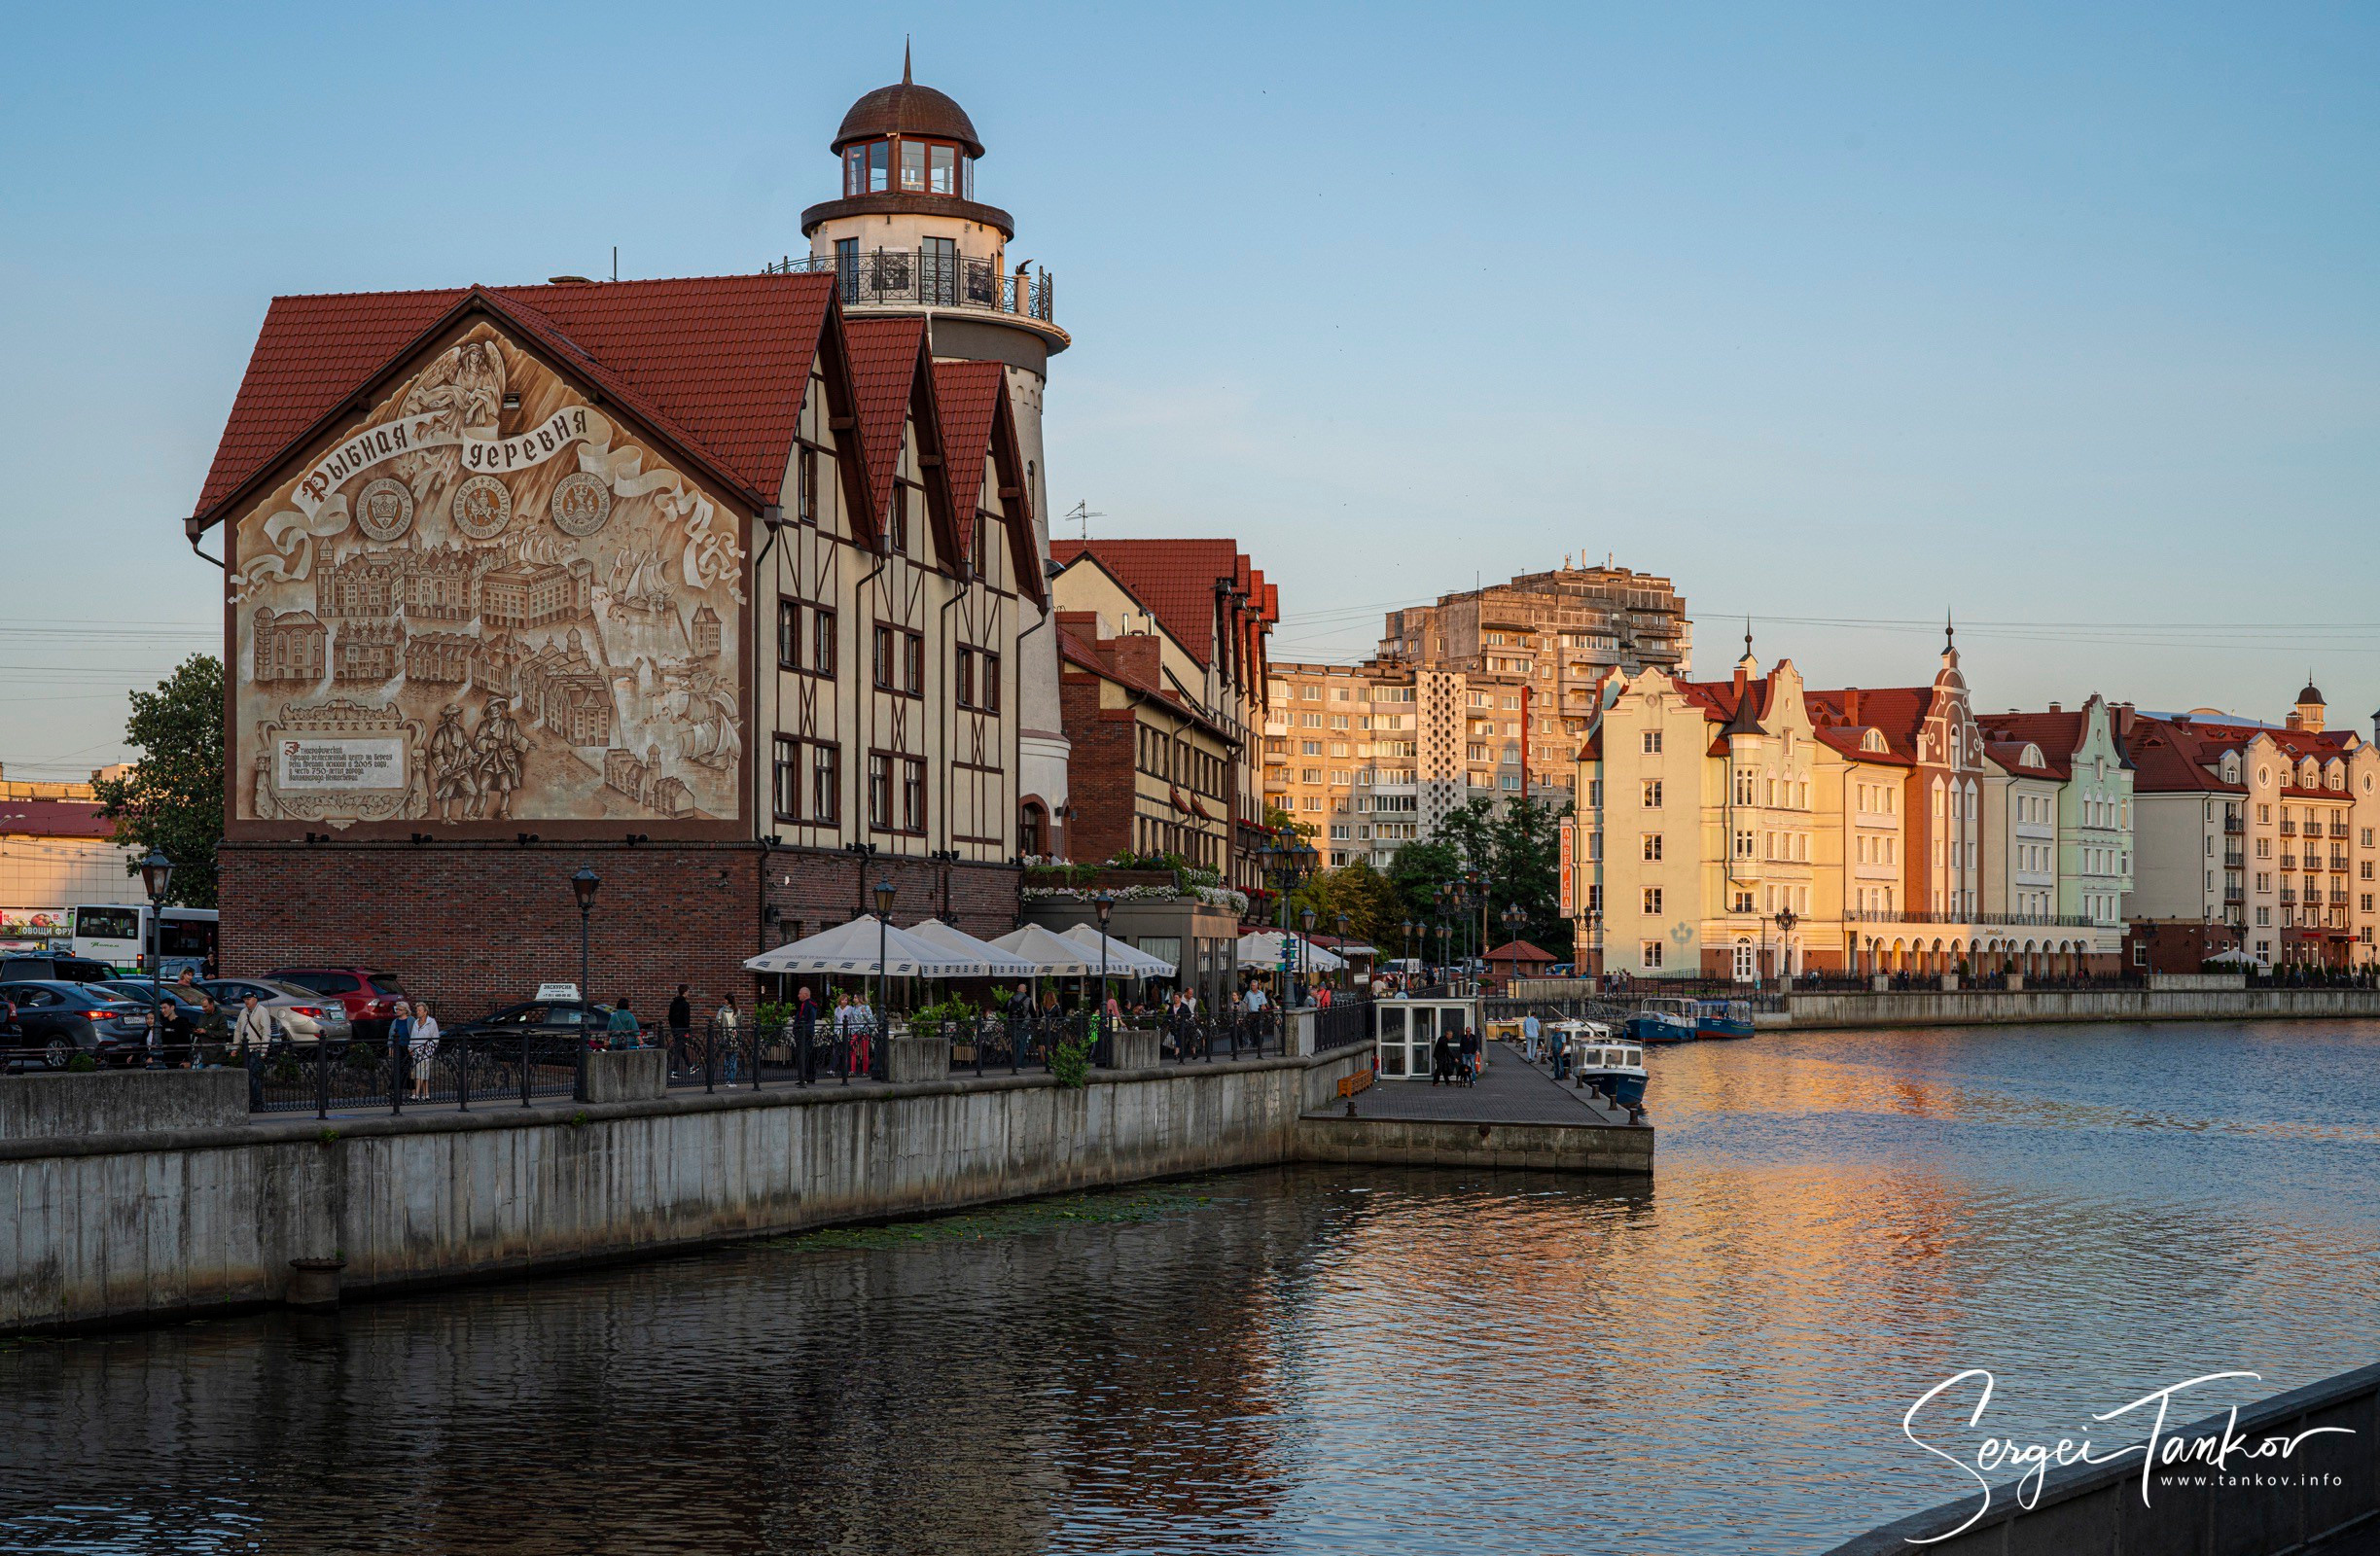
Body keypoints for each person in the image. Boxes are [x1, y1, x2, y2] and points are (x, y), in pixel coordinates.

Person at [408, 1001, 441, 1100]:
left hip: (426, 1052)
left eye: (420, 1010)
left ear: (425, 1012)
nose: (418, 1012)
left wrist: (429, 1051)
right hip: (416, 1051)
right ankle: (426, 1094)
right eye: (417, 1010)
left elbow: (435, 1038)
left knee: (421, 1071)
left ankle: (416, 1094)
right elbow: (413, 1037)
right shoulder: (415, 1023)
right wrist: (410, 1048)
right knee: (420, 1072)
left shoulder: (431, 1022)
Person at [231, 993, 275, 1058]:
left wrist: (263, 1050)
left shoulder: (262, 1011)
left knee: (254, 1067)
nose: (246, 1001)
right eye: (245, 999)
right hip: (245, 1048)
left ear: (255, 1000)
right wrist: (235, 1048)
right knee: (246, 1067)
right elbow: (238, 1030)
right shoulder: (243, 1011)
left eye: (248, 999)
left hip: (256, 1049)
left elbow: (266, 1031)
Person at [387, 1000, 413, 1091]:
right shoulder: (395, 1021)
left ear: (405, 1010)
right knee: (398, 1067)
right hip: (398, 1047)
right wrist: (390, 1048)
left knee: (406, 1068)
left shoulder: (411, 1020)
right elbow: (390, 1035)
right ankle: (396, 1088)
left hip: (408, 1048)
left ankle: (398, 1087)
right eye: (396, 1009)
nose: (397, 1011)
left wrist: (412, 1047)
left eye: (399, 1009)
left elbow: (414, 1033)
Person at [667, 984, 693, 1070]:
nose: (689, 993)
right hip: (682, 1029)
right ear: (685, 992)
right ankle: (674, 1070)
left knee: (682, 1048)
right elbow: (686, 1019)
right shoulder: (685, 1004)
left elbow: (670, 1017)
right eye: (688, 992)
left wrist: (673, 1027)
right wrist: (687, 1031)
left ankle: (690, 1066)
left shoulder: (673, 1003)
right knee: (679, 1049)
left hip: (675, 1029)